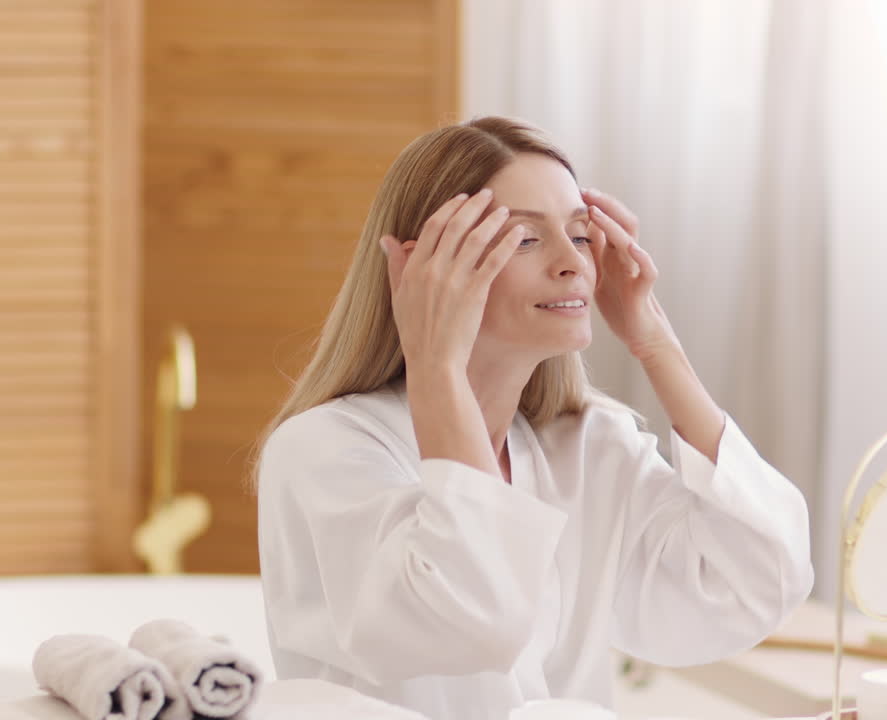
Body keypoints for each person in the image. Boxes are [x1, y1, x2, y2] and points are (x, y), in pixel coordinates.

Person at [254, 116, 813, 720]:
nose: (572, 263)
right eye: (525, 239)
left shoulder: (584, 447)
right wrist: (436, 364)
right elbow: (476, 616)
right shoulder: (324, 451)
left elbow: (762, 581)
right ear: (422, 271)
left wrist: (653, 339)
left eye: (580, 235)